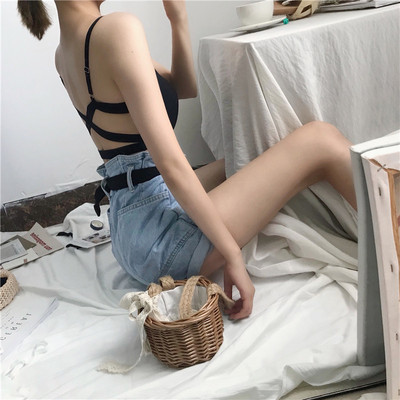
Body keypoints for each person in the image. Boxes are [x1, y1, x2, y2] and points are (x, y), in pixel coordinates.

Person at [17, 0, 357, 321]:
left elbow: (182, 87)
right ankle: (383, 229)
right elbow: (172, 165)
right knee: (321, 140)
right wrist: (233, 255)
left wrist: (177, 19)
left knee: (247, 154)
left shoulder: (66, 52)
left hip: (131, 230)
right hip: (160, 238)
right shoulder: (114, 30)